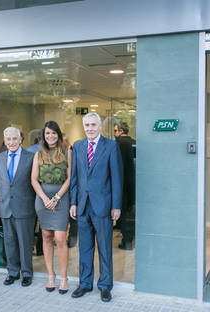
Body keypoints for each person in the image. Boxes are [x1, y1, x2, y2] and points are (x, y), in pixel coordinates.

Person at [70, 112, 123, 302]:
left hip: (103, 206)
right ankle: (85, 284)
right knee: (85, 247)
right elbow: (74, 177)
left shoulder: (111, 146)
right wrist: (73, 202)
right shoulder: (77, 146)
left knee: (104, 248)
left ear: (99, 126)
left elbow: (117, 178)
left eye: (93, 125)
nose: (90, 129)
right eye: (87, 125)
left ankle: (105, 286)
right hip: (83, 206)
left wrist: (116, 205)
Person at [31, 121, 72, 294]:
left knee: (61, 238)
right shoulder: (38, 155)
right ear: (43, 136)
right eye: (47, 134)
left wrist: (56, 197)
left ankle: (64, 277)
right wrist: (44, 198)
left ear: (59, 134)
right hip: (42, 199)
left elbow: (70, 179)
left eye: (54, 133)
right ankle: (50, 275)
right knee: (46, 236)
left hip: (61, 198)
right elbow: (34, 179)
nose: (51, 137)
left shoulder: (67, 152)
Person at [0, 127, 36, 287]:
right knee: (9, 242)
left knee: (25, 242)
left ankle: (26, 273)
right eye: (8, 139)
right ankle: (12, 272)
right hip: (6, 207)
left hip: (24, 206)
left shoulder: (31, 157)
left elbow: (34, 183)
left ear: (20, 140)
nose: (11, 142)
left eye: (14, 139)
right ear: (4, 141)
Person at [114, 122, 136, 250]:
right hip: (132, 182)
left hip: (121, 183)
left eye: (116, 131)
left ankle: (126, 240)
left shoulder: (119, 144)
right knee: (129, 211)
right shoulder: (134, 142)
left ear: (121, 131)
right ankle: (129, 238)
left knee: (122, 213)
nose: (115, 134)